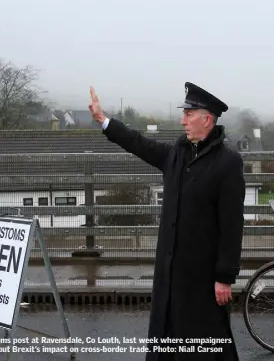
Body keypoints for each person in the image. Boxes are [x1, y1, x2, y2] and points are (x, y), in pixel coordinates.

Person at [89, 83, 245, 360]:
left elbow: (232, 224)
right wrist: (104, 121)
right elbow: (140, 143)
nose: (182, 119)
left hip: (201, 278)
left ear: (207, 119)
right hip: (170, 273)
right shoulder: (177, 152)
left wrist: (225, 277)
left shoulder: (228, 163)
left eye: (189, 113)